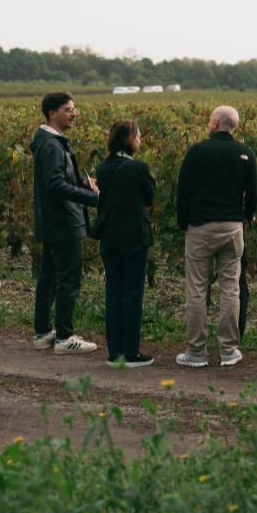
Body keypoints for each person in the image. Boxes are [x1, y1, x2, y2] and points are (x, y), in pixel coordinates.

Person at [175, 105, 257, 367]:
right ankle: (228, 350)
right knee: (231, 289)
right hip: (233, 227)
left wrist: (183, 222)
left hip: (200, 226)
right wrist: (247, 214)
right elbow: (253, 192)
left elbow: (183, 191)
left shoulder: (198, 151)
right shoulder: (246, 153)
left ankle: (197, 352)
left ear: (214, 122)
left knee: (197, 290)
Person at [31, 91, 100, 355]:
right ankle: (65, 337)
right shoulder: (51, 145)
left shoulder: (51, 142)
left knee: (48, 278)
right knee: (68, 279)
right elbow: (56, 185)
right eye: (68, 109)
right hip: (63, 221)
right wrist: (91, 196)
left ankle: (43, 334)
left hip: (53, 220)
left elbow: (57, 182)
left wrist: (79, 184)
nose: (73, 113)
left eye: (74, 109)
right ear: (52, 113)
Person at [89, 119, 156, 369]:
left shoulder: (102, 167)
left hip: (109, 237)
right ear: (130, 140)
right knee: (133, 294)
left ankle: (114, 353)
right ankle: (130, 353)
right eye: (138, 136)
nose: (140, 140)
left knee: (113, 293)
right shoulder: (139, 167)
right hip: (134, 238)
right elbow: (149, 198)